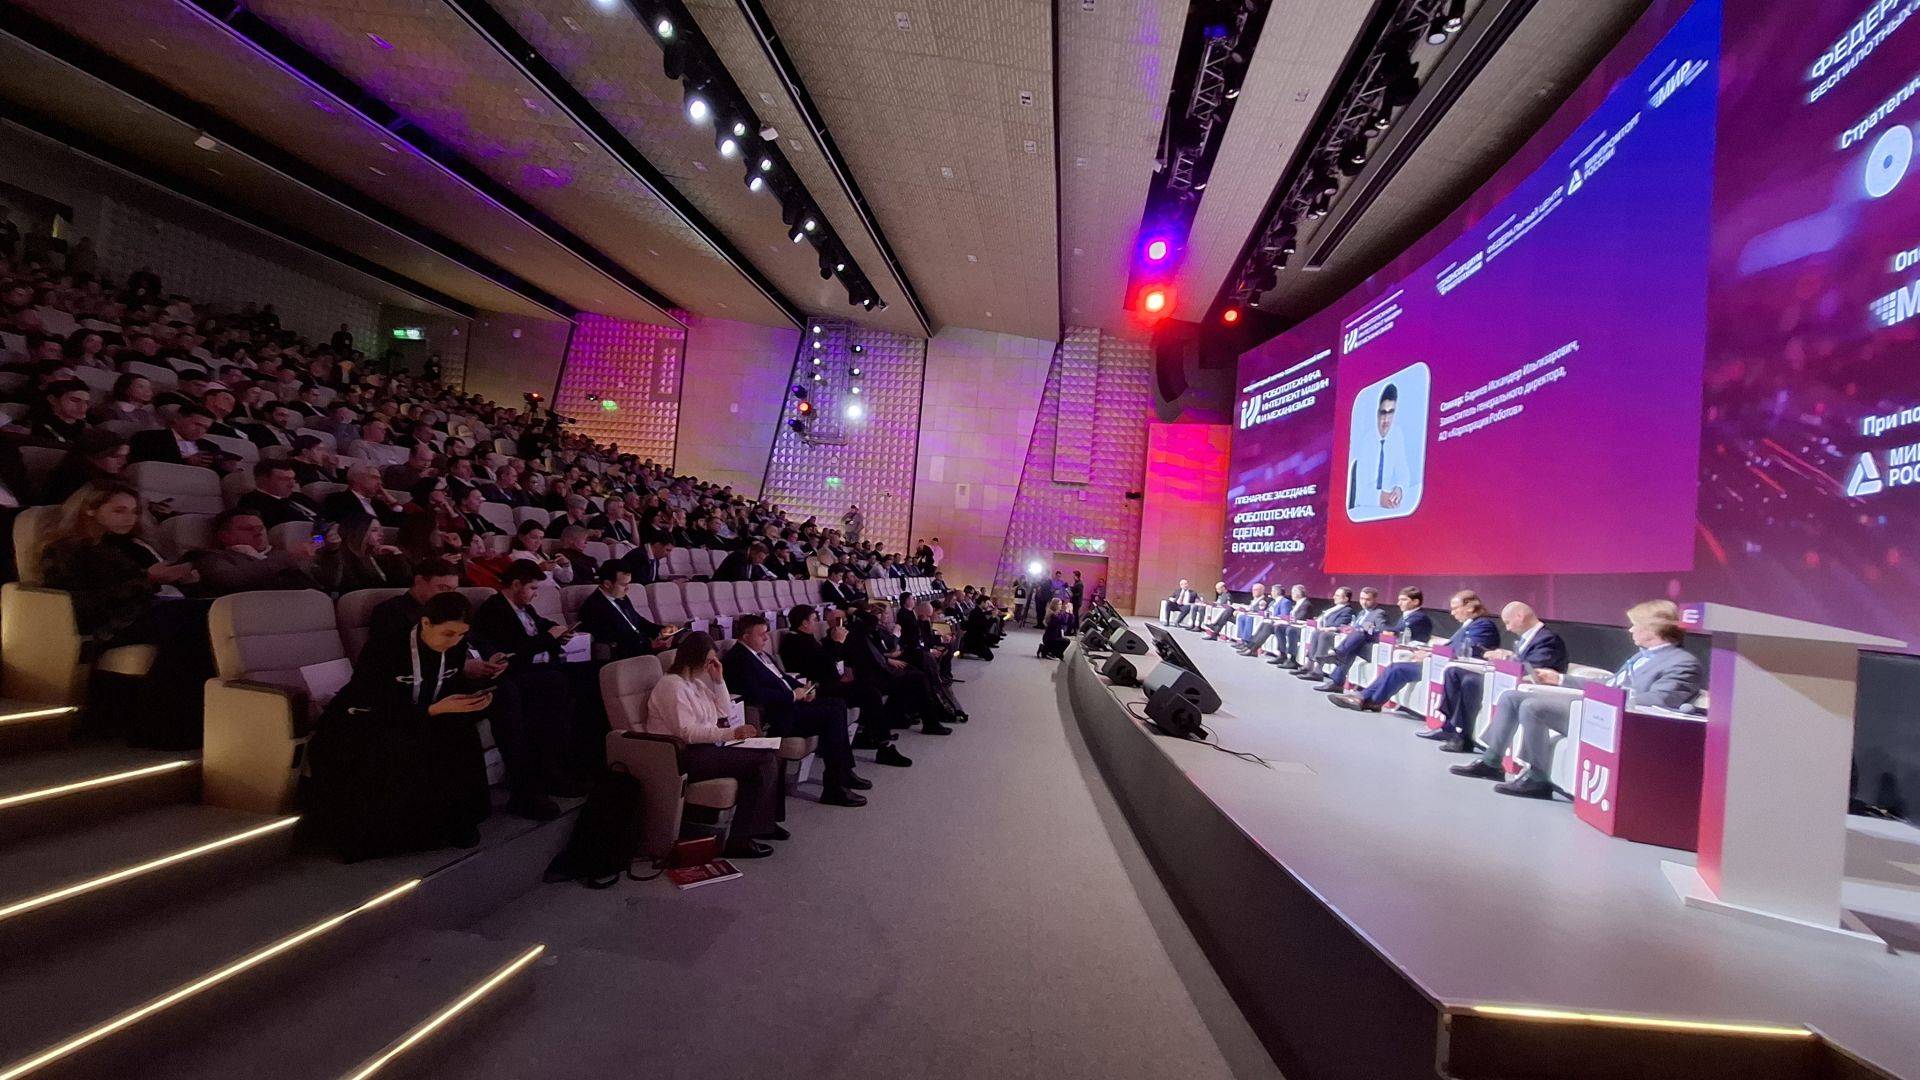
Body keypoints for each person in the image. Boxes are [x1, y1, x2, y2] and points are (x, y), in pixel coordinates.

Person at [306, 591, 492, 861]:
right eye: (448, 633)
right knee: (400, 745)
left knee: (461, 734)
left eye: (461, 635)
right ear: (425, 623)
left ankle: (458, 821)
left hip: (423, 712)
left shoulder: (455, 648)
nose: (454, 641)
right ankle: (400, 835)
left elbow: (447, 685)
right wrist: (431, 710)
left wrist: (471, 698)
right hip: (366, 718)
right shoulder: (386, 647)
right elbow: (372, 701)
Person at [1451, 604, 1702, 798]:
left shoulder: (1682, 663)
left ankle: (1537, 778)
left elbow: (1658, 700)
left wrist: (1608, 697)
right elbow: (1610, 684)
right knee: (1512, 696)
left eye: (1636, 625)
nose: (1630, 630)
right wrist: (1561, 680)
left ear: (1653, 629)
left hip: (1621, 720)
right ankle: (1491, 760)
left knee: (1533, 707)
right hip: (1599, 709)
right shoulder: (1641, 656)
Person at [37, 482, 210, 747]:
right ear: (90, 510)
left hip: (144, 611)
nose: (129, 518)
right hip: (108, 621)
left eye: (133, 512)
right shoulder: (66, 550)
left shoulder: (128, 546)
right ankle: (161, 728)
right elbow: (75, 603)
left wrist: (182, 580)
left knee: (212, 614)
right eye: (119, 511)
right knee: (195, 618)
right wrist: (147, 580)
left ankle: (180, 723)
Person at [643, 632, 783, 859]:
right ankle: (740, 840)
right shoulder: (672, 686)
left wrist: (719, 681)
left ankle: (764, 825)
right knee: (763, 761)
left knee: (772, 754)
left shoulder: (695, 683)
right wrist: (731, 733)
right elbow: (687, 732)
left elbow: (724, 711)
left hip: (706, 748)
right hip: (683, 755)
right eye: (708, 661)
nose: (710, 665)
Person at [470, 560, 583, 819]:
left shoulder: (525, 608)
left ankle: (567, 766)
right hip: (516, 674)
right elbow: (518, 649)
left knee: (585, 677)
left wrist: (558, 633)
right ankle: (544, 777)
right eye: (532, 588)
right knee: (555, 683)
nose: (535, 594)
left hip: (539, 671)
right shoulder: (494, 610)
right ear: (516, 585)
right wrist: (550, 637)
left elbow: (543, 626)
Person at [721, 614, 868, 807]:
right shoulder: (738, 659)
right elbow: (753, 694)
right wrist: (791, 695)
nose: (766, 638)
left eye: (766, 633)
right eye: (761, 634)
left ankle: (844, 772)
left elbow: (782, 678)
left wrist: (804, 690)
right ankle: (834, 787)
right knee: (831, 715)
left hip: (791, 705)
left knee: (837, 704)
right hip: (775, 716)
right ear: (746, 637)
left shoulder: (760, 654)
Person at [1422, 601, 1568, 752]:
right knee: (1454, 672)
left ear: (1520, 616)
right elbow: (1521, 661)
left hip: (1529, 686)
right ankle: (1449, 726)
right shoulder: (1529, 638)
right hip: (1508, 678)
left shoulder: (1548, 639)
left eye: (1508, 623)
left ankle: (1463, 736)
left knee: (1470, 681)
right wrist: (1504, 657)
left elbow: (1534, 670)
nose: (1508, 628)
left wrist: (1505, 659)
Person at [1329, 590, 1501, 712]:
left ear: (1470, 607)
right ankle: (1366, 699)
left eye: (1456, 608)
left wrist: (1431, 654)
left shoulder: (1483, 625)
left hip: (1450, 668)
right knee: (1396, 667)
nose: (1452, 613)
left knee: (1398, 669)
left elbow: (1469, 650)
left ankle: (1367, 700)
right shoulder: (1470, 625)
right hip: (1438, 662)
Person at [781, 604, 909, 767]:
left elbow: (824, 661)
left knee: (871, 688)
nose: (817, 623)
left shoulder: (806, 638)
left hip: (830, 683)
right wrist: (837, 643)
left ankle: (876, 737)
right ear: (804, 623)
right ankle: (883, 746)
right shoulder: (795, 641)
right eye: (813, 619)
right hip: (818, 689)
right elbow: (822, 667)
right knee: (870, 694)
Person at [184, 509, 319, 595]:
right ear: (225, 536)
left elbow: (320, 585)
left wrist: (328, 552)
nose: (258, 533)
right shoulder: (208, 557)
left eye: (261, 528)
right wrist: (288, 556)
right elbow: (234, 581)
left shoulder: (278, 554)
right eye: (247, 529)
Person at [1311, 586, 1405, 691]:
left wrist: (1362, 629)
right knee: (1351, 648)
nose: (1364, 602)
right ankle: (1336, 681)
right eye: (1362, 599)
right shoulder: (1361, 613)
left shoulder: (1379, 613)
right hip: (1357, 644)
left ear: (1375, 600)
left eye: (1367, 599)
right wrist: (1348, 629)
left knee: (1358, 634)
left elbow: (1382, 630)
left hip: (1372, 648)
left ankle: (1337, 656)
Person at [576, 563, 673, 659]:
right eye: (624, 584)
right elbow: (613, 642)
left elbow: (638, 621)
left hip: (644, 647)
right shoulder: (593, 608)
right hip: (627, 655)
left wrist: (662, 630)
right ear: (607, 584)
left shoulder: (621, 597)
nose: (627, 588)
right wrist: (649, 646)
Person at [1352, 382, 1412, 512]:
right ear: (1377, 413)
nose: (1386, 419)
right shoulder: (1366, 441)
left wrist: (1400, 489)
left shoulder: (1397, 434)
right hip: (1365, 508)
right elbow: (1359, 495)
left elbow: (1403, 472)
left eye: (1390, 412)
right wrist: (1379, 498)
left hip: (1386, 509)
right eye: (1383, 412)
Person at [313, 514, 411, 593]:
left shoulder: (379, 556)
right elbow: (334, 583)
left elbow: (404, 582)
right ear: (358, 532)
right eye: (374, 530)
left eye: (381, 530)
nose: (381, 534)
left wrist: (397, 554)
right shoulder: (343, 558)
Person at [128, 404, 234, 472]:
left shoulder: (210, 447)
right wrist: (185, 461)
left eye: (205, 428)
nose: (200, 430)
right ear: (178, 419)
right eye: (197, 424)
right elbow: (142, 463)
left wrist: (226, 468)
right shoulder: (148, 437)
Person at [37, 428, 129, 505]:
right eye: (116, 456)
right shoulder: (66, 480)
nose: (123, 462)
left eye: (125, 456)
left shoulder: (109, 478)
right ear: (92, 455)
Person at [236, 460, 321, 528]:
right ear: (263, 480)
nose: (292, 485)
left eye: (293, 479)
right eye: (285, 480)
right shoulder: (252, 502)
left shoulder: (298, 496)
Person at [321, 464, 406, 526]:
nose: (380, 482)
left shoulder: (379, 504)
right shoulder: (337, 500)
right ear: (357, 478)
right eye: (374, 477)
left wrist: (393, 502)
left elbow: (398, 525)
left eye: (380, 479)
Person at [1237, 585, 1309, 657]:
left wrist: (1273, 619)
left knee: (1268, 626)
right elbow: (1268, 612)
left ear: (1276, 592)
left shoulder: (1287, 602)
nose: (1271, 593)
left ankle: (1253, 649)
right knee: (1264, 624)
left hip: (1290, 626)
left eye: (1272, 591)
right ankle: (1250, 647)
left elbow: (1286, 616)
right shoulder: (1273, 602)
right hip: (1279, 623)